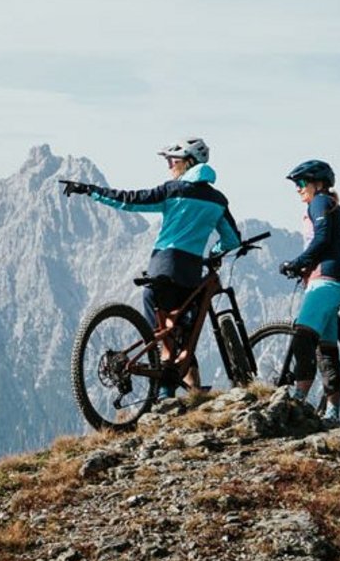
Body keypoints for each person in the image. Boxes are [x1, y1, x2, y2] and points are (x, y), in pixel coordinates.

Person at [60, 138, 242, 394]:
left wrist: (90, 190)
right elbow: (232, 239)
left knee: (159, 329)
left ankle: (165, 391)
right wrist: (213, 253)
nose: (169, 166)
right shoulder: (218, 200)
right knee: (183, 334)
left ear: (188, 163)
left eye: (172, 160)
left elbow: (129, 200)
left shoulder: (172, 190)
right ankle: (178, 392)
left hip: (164, 266)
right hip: (191, 273)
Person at [277, 158, 340, 424]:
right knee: (327, 349)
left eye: (301, 183)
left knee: (303, 336)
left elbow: (322, 238)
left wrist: (299, 263)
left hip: (325, 282)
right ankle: (332, 413)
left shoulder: (320, 202)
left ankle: (298, 398)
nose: (298, 189)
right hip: (334, 280)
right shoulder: (334, 206)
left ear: (318, 184)